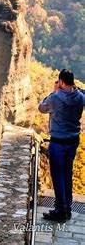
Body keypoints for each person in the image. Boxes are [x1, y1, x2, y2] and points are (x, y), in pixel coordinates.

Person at [38, 68, 84, 221]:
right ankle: (67, 207)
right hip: (73, 141)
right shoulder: (80, 98)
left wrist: (53, 91)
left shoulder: (55, 98)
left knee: (58, 176)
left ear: (61, 82)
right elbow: (80, 93)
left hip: (58, 143)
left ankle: (60, 211)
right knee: (67, 174)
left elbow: (41, 108)